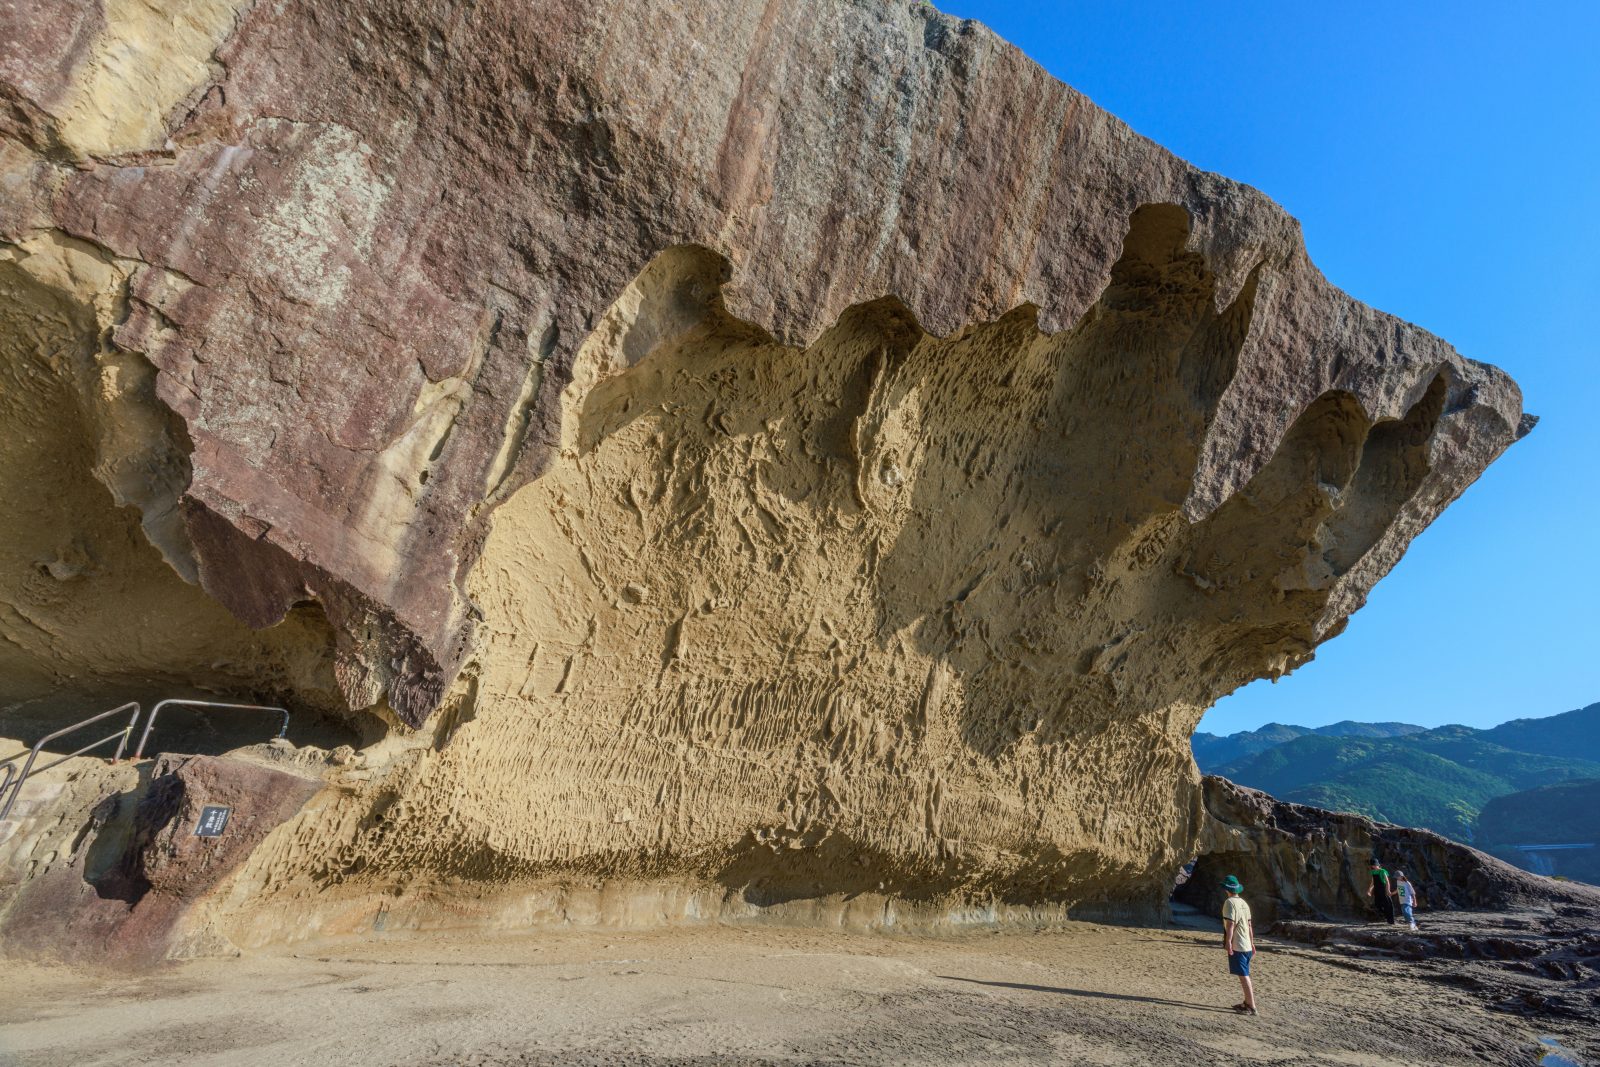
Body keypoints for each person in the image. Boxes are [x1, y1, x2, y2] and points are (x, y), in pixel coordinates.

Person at [1220, 874, 1258, 1015]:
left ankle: (1251, 1006)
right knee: (1244, 974)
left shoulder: (1229, 903)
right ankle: (1247, 1003)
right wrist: (1252, 943)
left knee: (1243, 975)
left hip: (1239, 944)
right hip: (1247, 944)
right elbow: (1249, 925)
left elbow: (1230, 924)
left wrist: (1228, 942)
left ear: (1226, 889)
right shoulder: (1243, 903)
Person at [1366, 857, 1396, 924]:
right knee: (1377, 904)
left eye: (1374, 865)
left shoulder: (1383, 871)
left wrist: (1388, 890)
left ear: (1378, 864)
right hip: (1377, 890)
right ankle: (1385, 916)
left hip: (1383, 889)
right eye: (1372, 865)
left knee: (1388, 904)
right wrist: (1369, 890)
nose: (1373, 866)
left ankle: (1391, 921)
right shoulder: (1373, 872)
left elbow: (1387, 881)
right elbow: (1373, 882)